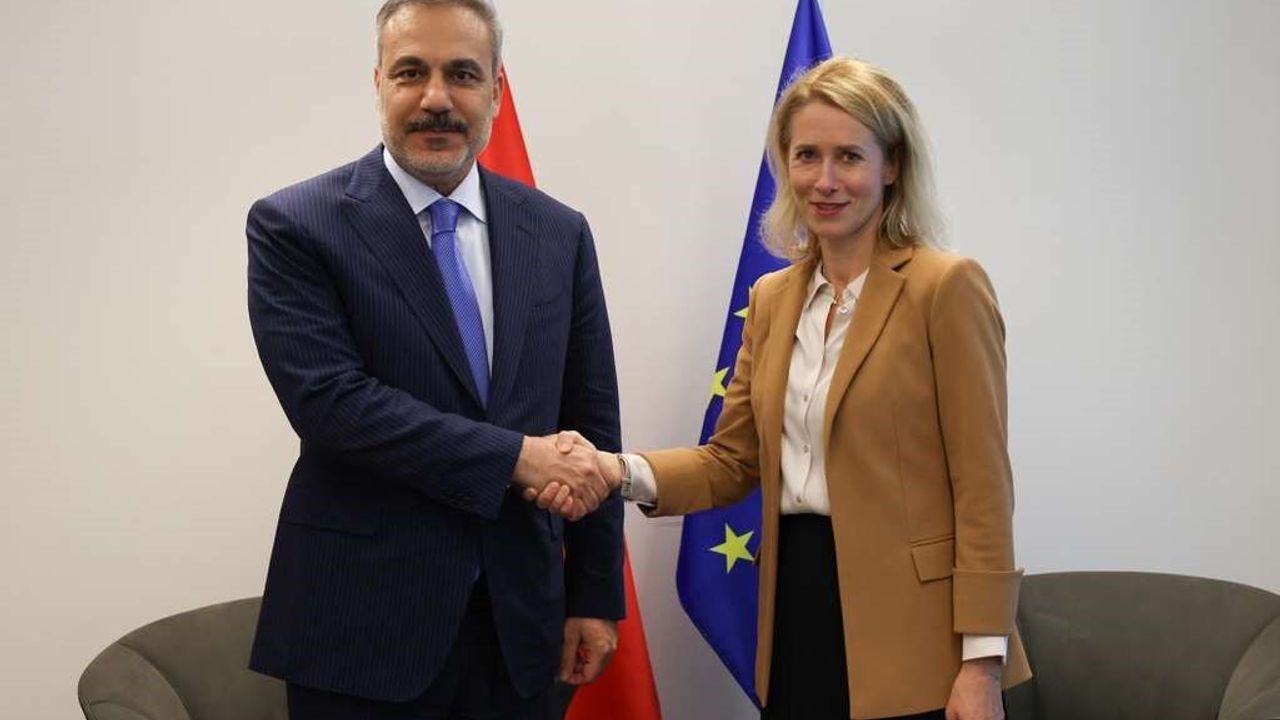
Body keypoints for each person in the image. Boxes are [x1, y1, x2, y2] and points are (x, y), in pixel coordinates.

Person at [531, 56, 1032, 719]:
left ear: (892, 165)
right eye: (807, 156)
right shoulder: (772, 298)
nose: (825, 181)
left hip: (918, 634)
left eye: (849, 157)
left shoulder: (945, 287)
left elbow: (983, 487)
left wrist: (982, 663)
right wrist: (614, 471)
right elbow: (730, 462)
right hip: (796, 600)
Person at [246, 1, 625, 717]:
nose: (436, 99)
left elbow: (592, 419)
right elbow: (332, 405)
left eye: (463, 74)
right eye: (412, 73)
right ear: (379, 82)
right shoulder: (295, 225)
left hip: (523, 629)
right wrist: (517, 457)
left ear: (496, 91)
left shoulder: (559, 232)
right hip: (361, 633)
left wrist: (594, 594)